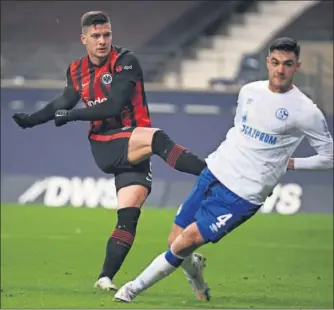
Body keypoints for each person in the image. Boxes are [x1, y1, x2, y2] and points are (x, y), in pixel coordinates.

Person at [113, 37, 334, 303]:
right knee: (176, 240)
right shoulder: (249, 91)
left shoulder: (306, 111)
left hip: (243, 194)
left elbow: (329, 158)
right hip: (215, 171)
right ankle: (197, 277)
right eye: (275, 63)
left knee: (185, 242)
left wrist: (291, 163)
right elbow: (240, 131)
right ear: (268, 62)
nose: (280, 70)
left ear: (297, 66)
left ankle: (132, 288)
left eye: (287, 64)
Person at [12, 11, 207, 291]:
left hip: (133, 145)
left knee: (128, 215)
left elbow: (114, 105)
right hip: (107, 144)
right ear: (84, 39)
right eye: (96, 36)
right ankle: (214, 173)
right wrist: (33, 120)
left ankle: (105, 277)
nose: (102, 41)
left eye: (106, 35)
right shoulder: (76, 70)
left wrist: (72, 115)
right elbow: (63, 100)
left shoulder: (126, 62)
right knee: (157, 139)